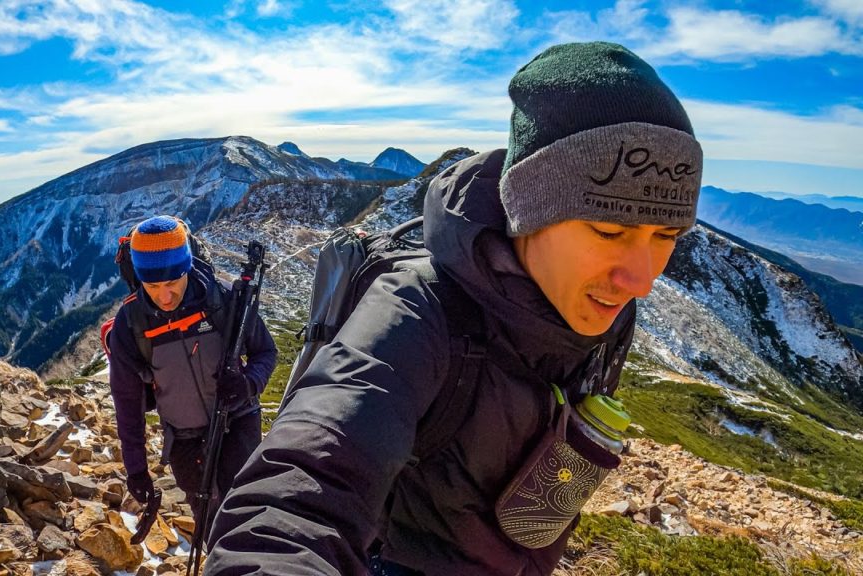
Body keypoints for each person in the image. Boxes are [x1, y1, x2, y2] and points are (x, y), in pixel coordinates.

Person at [203, 41, 703, 576]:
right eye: (608, 230)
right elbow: (301, 491)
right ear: (528, 211)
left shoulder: (600, 311)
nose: (642, 280)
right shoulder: (417, 311)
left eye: (667, 235)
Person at [107, 215, 277, 539]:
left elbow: (265, 353)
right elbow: (127, 405)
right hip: (184, 441)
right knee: (210, 524)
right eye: (153, 286)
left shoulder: (224, 301)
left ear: (187, 267)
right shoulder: (130, 326)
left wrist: (248, 385)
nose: (165, 296)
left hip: (237, 421)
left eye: (172, 282)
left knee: (247, 511)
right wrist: (137, 470)